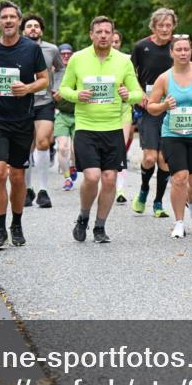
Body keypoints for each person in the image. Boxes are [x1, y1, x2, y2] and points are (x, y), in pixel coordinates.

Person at [59, 16, 142, 243]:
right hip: (86, 127)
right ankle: (83, 216)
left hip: (113, 128)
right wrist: (77, 95)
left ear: (113, 35)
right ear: (91, 34)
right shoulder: (78, 59)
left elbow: (138, 93)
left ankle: (99, 226)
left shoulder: (123, 61)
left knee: (109, 180)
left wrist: (129, 95)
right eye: (99, 32)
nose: (103, 35)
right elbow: (64, 89)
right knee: (92, 176)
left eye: (107, 31)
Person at [0, 1, 49, 250]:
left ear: (18, 21)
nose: (8, 21)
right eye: (3, 17)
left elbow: (44, 81)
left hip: (22, 120)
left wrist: (27, 88)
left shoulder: (30, 49)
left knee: (17, 177)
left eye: (12, 17)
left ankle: (16, 224)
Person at [146, 36, 192, 238]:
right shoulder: (164, 78)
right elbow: (151, 107)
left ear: (191, 52)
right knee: (179, 178)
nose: (183, 53)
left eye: (186, 49)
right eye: (179, 49)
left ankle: (191, 200)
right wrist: (163, 106)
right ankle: (179, 222)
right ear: (172, 53)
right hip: (172, 134)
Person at [131, 8, 177, 217]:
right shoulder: (142, 47)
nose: (165, 29)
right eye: (161, 25)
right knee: (150, 158)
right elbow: (130, 75)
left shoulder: (177, 48)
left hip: (171, 108)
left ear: (173, 27)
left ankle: (158, 203)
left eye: (168, 25)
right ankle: (143, 190)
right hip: (149, 107)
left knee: (164, 160)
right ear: (154, 27)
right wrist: (139, 94)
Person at [20, 13, 64, 208]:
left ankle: (43, 191)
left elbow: (61, 68)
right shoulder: (16, 49)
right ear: (23, 30)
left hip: (45, 101)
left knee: (43, 142)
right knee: (26, 147)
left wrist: (59, 87)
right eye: (29, 26)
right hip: (21, 103)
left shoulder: (51, 49)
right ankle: (28, 189)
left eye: (36, 26)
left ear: (41, 30)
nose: (33, 29)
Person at [111, 30, 134, 202]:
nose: (113, 44)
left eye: (117, 41)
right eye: (111, 41)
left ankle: (120, 190)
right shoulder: (98, 61)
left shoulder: (128, 59)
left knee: (120, 147)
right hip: (104, 110)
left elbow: (135, 85)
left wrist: (130, 92)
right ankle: (108, 183)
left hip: (124, 108)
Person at [51, 44, 77, 190]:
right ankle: (67, 178)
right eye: (63, 54)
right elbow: (47, 96)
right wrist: (55, 97)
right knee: (62, 148)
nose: (66, 56)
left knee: (75, 150)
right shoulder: (54, 74)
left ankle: (72, 166)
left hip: (78, 114)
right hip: (61, 114)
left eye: (69, 53)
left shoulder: (78, 71)